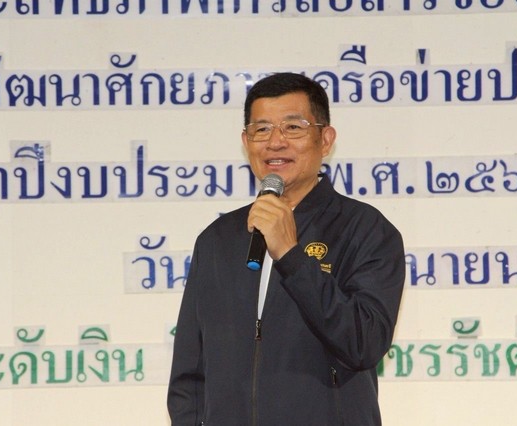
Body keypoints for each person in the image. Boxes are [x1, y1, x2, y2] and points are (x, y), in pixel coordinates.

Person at [167, 72, 405, 426]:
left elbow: (364, 344)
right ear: (246, 141)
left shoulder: (365, 229)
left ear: (325, 139)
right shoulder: (217, 240)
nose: (275, 142)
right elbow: (190, 373)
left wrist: (292, 257)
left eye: (293, 128)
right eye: (262, 129)